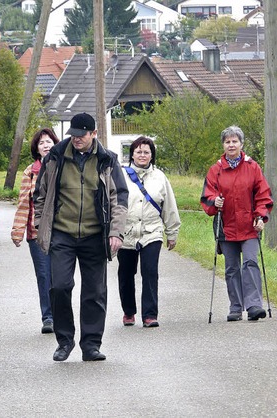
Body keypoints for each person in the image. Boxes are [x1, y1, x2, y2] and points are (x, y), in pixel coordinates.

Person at [34, 112, 128, 362]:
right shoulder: (56, 156)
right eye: (73, 135)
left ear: (93, 134)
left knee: (94, 292)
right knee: (60, 287)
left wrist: (116, 232)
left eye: (81, 135)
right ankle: (64, 341)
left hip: (95, 235)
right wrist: (39, 226)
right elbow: (40, 194)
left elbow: (120, 198)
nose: (76, 139)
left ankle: (91, 345)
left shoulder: (107, 159)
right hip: (62, 234)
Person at [200, 125, 274, 322]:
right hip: (226, 227)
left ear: (241, 144)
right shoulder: (215, 170)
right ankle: (235, 307)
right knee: (232, 268)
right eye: (227, 141)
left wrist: (260, 216)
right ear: (223, 145)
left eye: (234, 141)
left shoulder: (253, 167)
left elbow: (263, 195)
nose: (231, 145)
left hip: (250, 226)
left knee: (250, 262)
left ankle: (254, 305)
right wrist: (215, 200)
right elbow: (207, 196)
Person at [118, 136, 181, 328]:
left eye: (146, 152)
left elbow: (169, 206)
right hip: (126, 232)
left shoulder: (160, 177)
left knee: (150, 271)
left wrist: (172, 232)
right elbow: (113, 203)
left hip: (151, 231)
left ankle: (150, 314)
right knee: (126, 274)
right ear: (132, 154)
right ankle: (129, 311)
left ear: (152, 155)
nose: (142, 155)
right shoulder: (121, 175)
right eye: (139, 152)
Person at [11, 128, 60, 334]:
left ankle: (61, 315)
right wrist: (18, 230)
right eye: (41, 143)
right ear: (36, 148)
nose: (46, 145)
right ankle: (48, 317)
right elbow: (24, 203)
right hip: (36, 233)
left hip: (61, 231)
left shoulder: (64, 167)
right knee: (43, 275)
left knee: (60, 277)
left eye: (49, 141)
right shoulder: (30, 171)